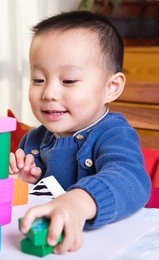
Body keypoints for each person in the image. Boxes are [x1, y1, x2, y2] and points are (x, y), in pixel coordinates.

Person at [9, 10, 151, 254]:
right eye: (38, 79)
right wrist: (20, 182)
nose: (48, 93)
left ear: (111, 88)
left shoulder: (114, 133)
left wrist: (77, 202)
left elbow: (131, 179)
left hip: (101, 248)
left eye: (69, 81)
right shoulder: (34, 139)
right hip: (42, 244)